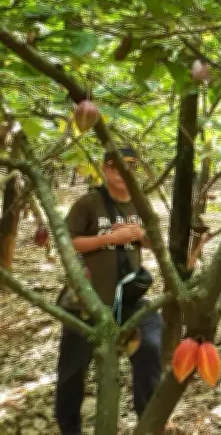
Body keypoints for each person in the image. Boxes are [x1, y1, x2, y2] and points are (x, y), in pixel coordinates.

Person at [56, 148, 162, 435]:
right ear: (105, 169)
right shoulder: (90, 203)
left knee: (152, 344)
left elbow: (156, 242)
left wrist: (140, 236)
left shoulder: (140, 205)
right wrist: (110, 238)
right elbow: (68, 242)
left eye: (130, 167)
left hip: (128, 300)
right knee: (72, 372)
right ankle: (69, 427)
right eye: (116, 167)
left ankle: (148, 420)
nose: (122, 173)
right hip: (86, 302)